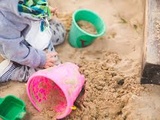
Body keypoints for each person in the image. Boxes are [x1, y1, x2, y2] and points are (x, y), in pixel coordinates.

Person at [0, 0, 66, 82]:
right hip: (22, 49)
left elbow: (32, 3)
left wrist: (44, 9)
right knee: (53, 70)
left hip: (35, 29)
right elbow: (15, 51)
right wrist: (40, 59)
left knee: (61, 33)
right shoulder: (4, 23)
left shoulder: (23, 4)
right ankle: (12, 71)